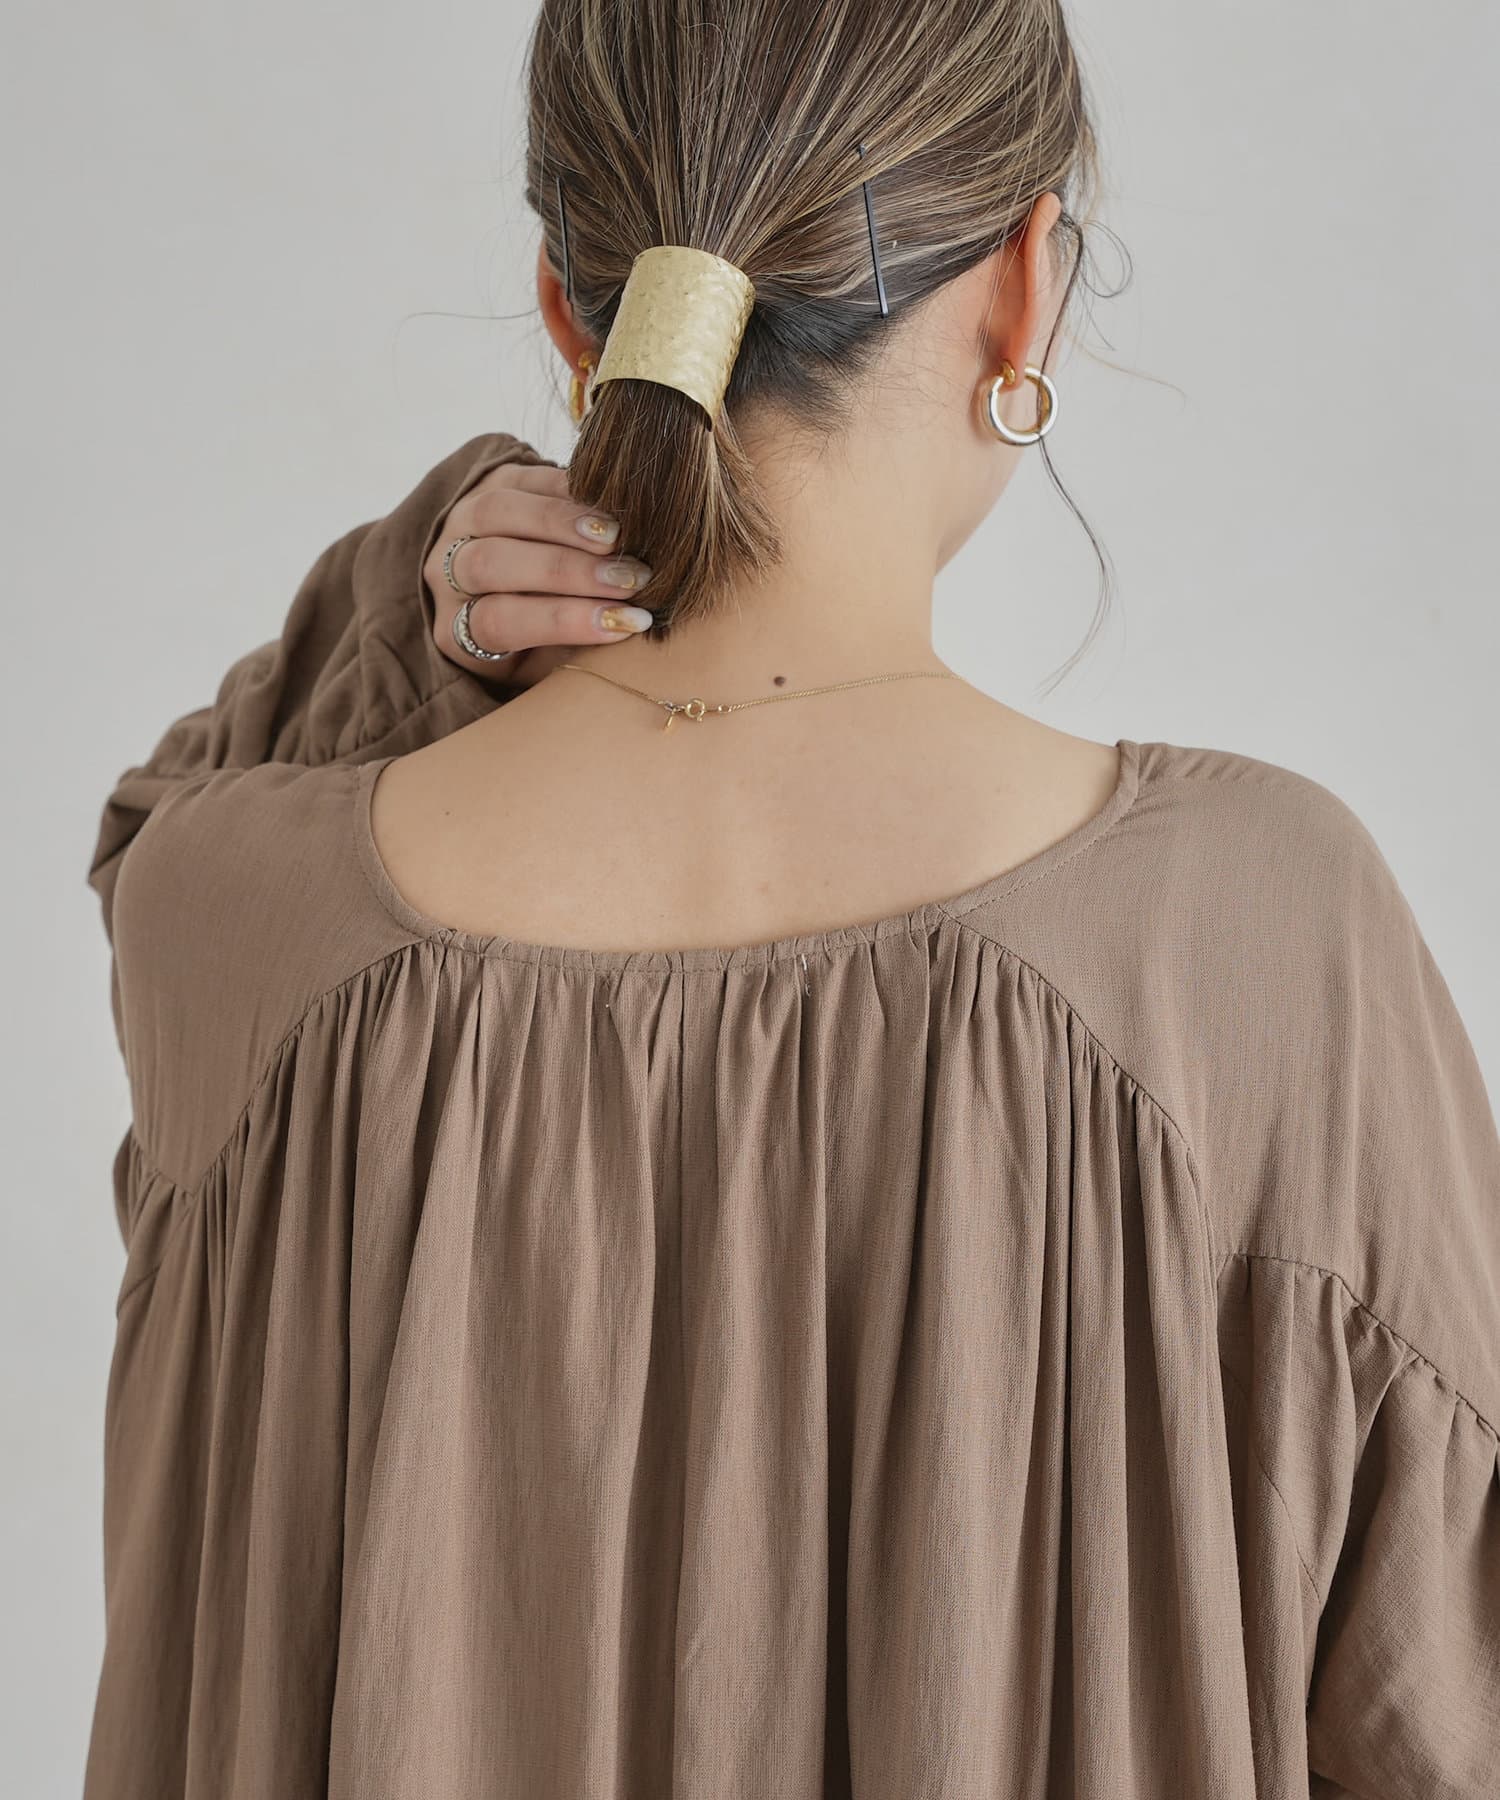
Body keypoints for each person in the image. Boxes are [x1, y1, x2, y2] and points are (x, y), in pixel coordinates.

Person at [83, 1, 1500, 1795]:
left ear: (569, 309)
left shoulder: (239, 927)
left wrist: (421, 604)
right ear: (1025, 283)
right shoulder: (1259, 937)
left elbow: (157, 827)